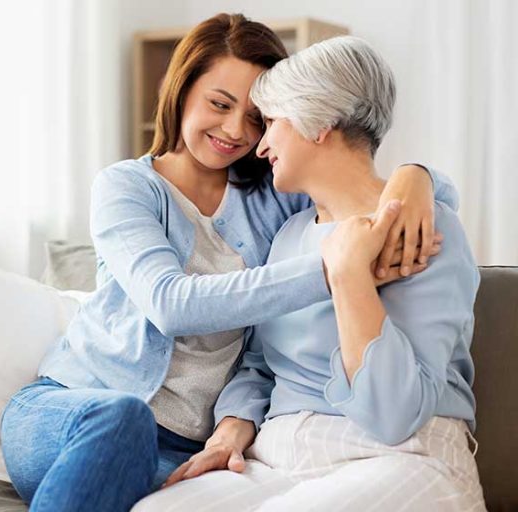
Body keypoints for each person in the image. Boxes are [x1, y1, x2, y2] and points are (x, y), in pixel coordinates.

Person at [0, 14, 457, 512]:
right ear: (180, 89)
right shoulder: (126, 188)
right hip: (71, 410)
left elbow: (358, 187)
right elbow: (170, 304)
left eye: (258, 117)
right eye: (219, 104)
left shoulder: (277, 199)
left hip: (180, 447)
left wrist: (419, 177)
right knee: (122, 417)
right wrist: (333, 267)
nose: (237, 130)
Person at [135, 36, 485, 511]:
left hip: (400, 454)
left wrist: (349, 276)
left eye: (272, 122)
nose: (259, 146)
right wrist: (230, 429)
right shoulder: (290, 233)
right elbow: (259, 363)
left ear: (318, 123)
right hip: (279, 457)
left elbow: (394, 413)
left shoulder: (424, 229)